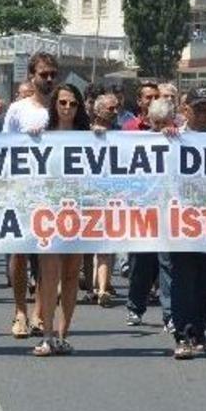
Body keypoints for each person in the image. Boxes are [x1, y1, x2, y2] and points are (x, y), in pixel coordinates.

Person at [0, 52, 57, 337]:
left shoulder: (63, 107)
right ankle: (20, 311)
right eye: (43, 74)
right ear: (32, 76)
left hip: (54, 193)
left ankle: (39, 313)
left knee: (47, 256)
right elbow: (3, 147)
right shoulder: (17, 110)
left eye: (52, 75)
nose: (48, 79)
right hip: (22, 191)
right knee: (20, 254)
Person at [166, 86, 206, 359]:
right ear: (184, 109)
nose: (202, 112)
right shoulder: (174, 138)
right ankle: (182, 333)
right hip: (182, 222)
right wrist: (164, 137)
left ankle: (200, 331)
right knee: (182, 280)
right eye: (197, 107)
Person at [34, 83, 91, 356]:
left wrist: (100, 138)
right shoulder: (41, 136)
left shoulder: (88, 136)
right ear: (54, 104)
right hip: (48, 212)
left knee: (70, 274)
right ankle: (46, 335)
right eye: (63, 102)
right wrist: (29, 141)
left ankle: (62, 334)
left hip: (79, 211)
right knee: (49, 276)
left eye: (73, 104)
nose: (67, 108)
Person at [124, 98, 177, 328]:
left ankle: (170, 314)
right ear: (149, 120)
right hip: (144, 209)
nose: (160, 127)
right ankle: (135, 306)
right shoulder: (138, 139)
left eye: (164, 122)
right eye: (156, 123)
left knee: (167, 263)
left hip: (170, 210)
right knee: (141, 262)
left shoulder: (178, 138)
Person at [89, 93, 122, 307]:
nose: (115, 112)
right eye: (110, 108)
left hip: (112, 195)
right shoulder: (85, 132)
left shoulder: (122, 134)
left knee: (105, 243)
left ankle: (102, 288)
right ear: (98, 110)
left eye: (117, 107)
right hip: (87, 194)